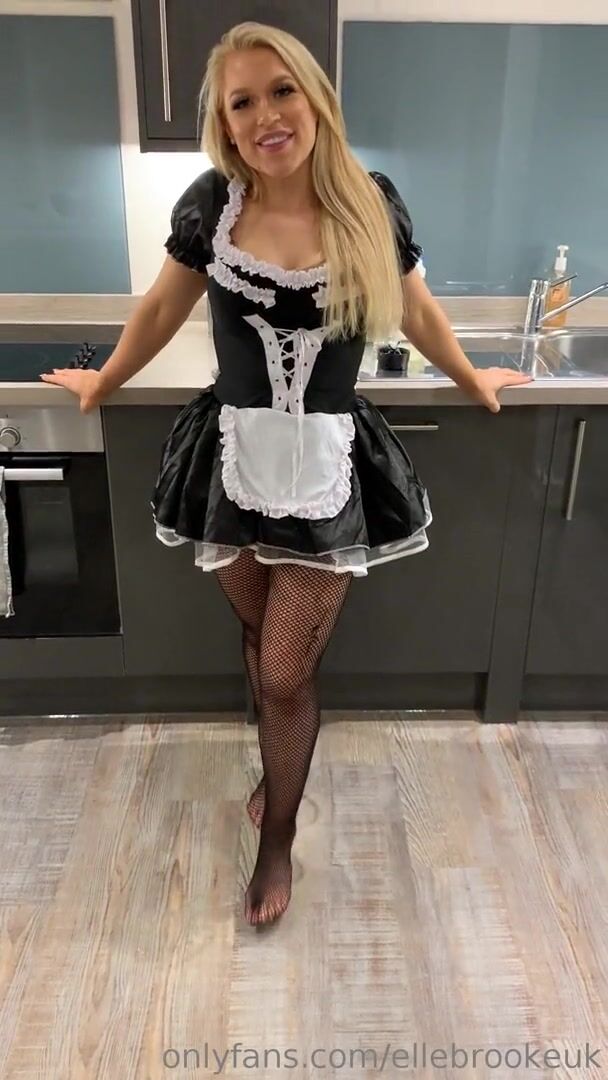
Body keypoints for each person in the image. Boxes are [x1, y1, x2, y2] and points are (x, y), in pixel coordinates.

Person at [41, 21, 532, 927]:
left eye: (281, 91)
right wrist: (103, 380)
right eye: (243, 102)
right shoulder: (212, 207)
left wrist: (474, 379)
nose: (266, 115)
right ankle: (276, 770)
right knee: (258, 638)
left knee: (283, 673)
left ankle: (278, 840)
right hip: (229, 462)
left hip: (327, 470)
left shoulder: (368, 202)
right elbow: (161, 308)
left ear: (314, 98)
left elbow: (418, 314)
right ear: (225, 125)